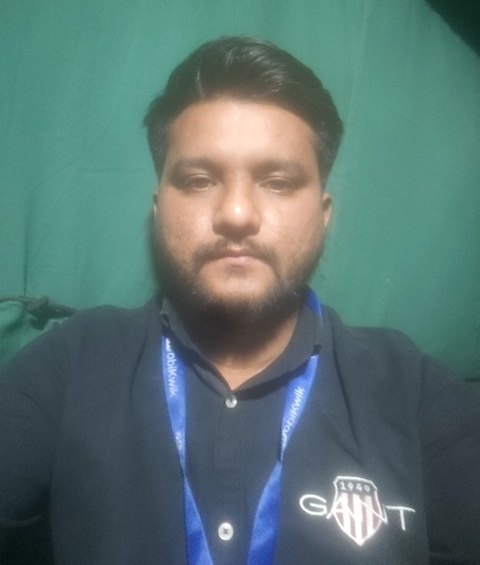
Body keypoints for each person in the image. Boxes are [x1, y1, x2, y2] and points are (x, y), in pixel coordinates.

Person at [1, 36, 479, 565]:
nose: (235, 213)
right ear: (159, 209)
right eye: (198, 180)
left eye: (277, 182)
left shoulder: (410, 390)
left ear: (323, 215)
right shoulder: (73, 363)